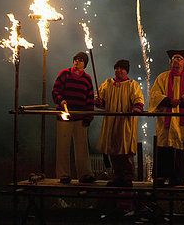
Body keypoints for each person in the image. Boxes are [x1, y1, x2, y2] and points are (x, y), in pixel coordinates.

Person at [149, 50, 184, 187]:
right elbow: (154, 95)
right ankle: (160, 177)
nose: (176, 61)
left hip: (182, 121)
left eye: (179, 58)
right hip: (166, 120)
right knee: (164, 147)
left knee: (179, 148)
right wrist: (168, 101)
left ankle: (177, 178)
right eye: (174, 58)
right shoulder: (162, 77)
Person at [95, 59, 144, 187]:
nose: (119, 70)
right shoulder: (108, 84)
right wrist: (99, 101)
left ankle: (127, 179)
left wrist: (136, 107)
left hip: (125, 122)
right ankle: (117, 177)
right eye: (117, 68)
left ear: (126, 71)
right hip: (111, 122)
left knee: (125, 150)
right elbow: (100, 99)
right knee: (113, 150)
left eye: (122, 68)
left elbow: (138, 99)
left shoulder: (132, 84)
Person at [52, 51, 95, 184]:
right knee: (63, 146)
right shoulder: (64, 74)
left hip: (80, 117)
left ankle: (85, 175)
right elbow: (55, 91)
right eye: (76, 59)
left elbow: (90, 99)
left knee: (82, 147)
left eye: (81, 60)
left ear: (85, 64)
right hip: (64, 116)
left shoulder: (87, 79)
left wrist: (89, 117)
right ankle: (64, 175)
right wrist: (61, 100)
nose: (77, 61)